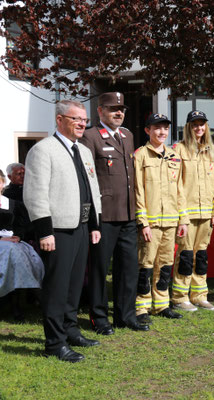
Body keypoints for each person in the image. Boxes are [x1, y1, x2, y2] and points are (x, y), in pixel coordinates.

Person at [24, 99, 102, 363]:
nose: (82, 123)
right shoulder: (43, 150)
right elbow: (35, 194)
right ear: (59, 120)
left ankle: (70, 330)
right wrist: (44, 232)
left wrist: (94, 225)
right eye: (76, 119)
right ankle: (54, 343)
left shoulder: (84, 151)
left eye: (84, 120)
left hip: (80, 227)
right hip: (57, 230)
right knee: (57, 288)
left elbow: (90, 190)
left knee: (74, 286)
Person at [79, 92, 148, 334]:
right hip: (104, 216)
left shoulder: (127, 135)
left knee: (128, 269)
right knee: (99, 270)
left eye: (122, 109)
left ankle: (125, 315)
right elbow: (87, 179)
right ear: (100, 111)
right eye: (112, 109)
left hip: (128, 214)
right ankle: (99, 317)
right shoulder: (90, 137)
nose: (119, 113)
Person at [134, 113, 189, 322]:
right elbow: (138, 191)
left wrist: (182, 219)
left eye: (165, 128)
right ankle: (142, 307)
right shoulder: (140, 155)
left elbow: (180, 190)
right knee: (146, 264)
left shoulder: (174, 156)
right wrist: (143, 222)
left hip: (171, 221)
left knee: (165, 265)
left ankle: (161, 304)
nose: (161, 132)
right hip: (152, 222)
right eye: (157, 128)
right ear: (148, 130)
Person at [171, 111, 214, 312]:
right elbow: (176, 185)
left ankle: (200, 295)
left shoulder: (211, 151)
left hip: (206, 213)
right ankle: (180, 296)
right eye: (195, 125)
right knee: (185, 255)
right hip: (188, 213)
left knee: (201, 256)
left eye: (202, 124)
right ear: (188, 127)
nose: (199, 128)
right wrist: (182, 215)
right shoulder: (179, 150)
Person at [0, 168, 44, 301]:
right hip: (3, 242)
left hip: (12, 240)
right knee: (11, 251)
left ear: (2, 183)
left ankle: (24, 293)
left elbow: (21, 225)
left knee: (25, 252)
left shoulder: (12, 203)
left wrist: (18, 236)